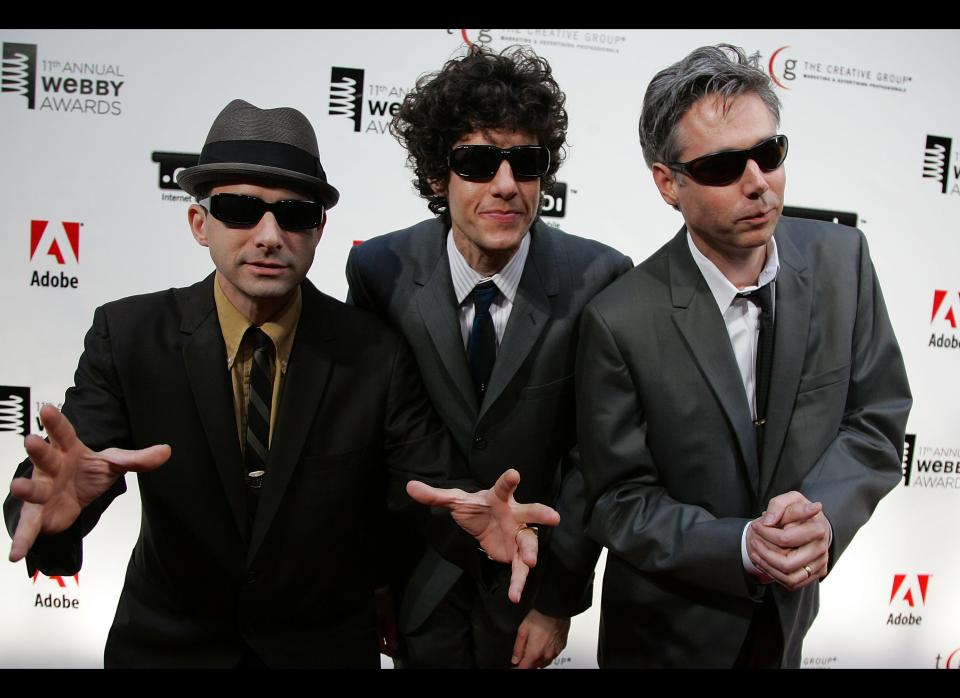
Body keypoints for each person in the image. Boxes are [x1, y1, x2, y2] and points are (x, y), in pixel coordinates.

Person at [4, 98, 557, 669]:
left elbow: (435, 492)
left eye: (294, 214)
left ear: (319, 230)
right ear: (200, 223)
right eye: (241, 210)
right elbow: (66, 473)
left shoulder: (374, 353)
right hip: (167, 650)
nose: (269, 235)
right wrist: (56, 514)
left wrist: (483, 535)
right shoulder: (129, 336)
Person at [576, 45, 912, 668]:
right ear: (667, 183)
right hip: (663, 637)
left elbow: (877, 417)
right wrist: (740, 547)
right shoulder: (618, 318)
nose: (758, 182)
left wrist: (824, 518)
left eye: (769, 153)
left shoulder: (845, 263)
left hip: (786, 629)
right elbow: (616, 501)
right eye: (724, 166)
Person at [346, 46, 632, 669]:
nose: (505, 184)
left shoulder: (599, 278)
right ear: (435, 175)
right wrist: (374, 584)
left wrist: (559, 600)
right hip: (419, 579)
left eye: (525, 162)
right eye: (477, 161)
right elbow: (367, 446)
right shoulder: (379, 273)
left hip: (529, 586)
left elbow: (596, 459)